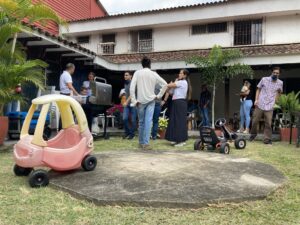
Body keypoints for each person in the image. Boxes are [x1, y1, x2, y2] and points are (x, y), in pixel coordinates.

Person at [130, 57, 167, 150]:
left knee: (141, 122)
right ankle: (145, 144)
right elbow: (165, 84)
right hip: (151, 100)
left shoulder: (137, 73)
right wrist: (158, 96)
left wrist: (134, 101)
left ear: (142, 64)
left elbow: (132, 87)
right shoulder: (153, 74)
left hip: (140, 102)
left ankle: (141, 142)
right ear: (150, 64)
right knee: (148, 122)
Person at [249, 67, 283, 145]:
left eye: (277, 73)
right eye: (274, 72)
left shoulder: (280, 83)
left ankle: (267, 139)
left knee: (268, 123)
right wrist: (256, 100)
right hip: (260, 103)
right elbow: (258, 89)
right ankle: (253, 135)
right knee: (254, 121)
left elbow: (279, 92)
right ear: (271, 72)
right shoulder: (264, 79)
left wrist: (276, 102)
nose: (275, 74)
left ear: (279, 74)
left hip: (270, 105)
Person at [163, 69, 192, 147]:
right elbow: (169, 91)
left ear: (185, 75)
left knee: (179, 122)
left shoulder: (183, 82)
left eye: (181, 73)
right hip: (176, 102)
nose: (179, 74)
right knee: (174, 121)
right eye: (179, 73)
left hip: (180, 103)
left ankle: (181, 141)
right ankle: (175, 139)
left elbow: (169, 85)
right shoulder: (178, 83)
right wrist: (170, 85)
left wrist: (171, 83)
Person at [122, 72, 137, 140]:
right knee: (124, 118)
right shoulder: (126, 83)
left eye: (126, 75)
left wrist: (126, 102)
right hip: (127, 104)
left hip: (133, 104)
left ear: (131, 76)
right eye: (124, 75)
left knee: (133, 120)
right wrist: (124, 101)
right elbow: (126, 94)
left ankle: (132, 134)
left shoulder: (133, 83)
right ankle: (128, 132)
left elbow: (132, 94)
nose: (125, 76)